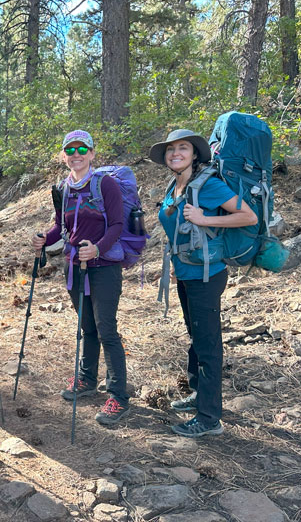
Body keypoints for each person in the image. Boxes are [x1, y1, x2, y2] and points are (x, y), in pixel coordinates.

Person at [149, 129, 257, 437]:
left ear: (195, 154)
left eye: (183, 148)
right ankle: (198, 394)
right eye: (171, 149)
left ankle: (210, 418)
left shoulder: (208, 185)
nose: (175, 153)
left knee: (208, 345)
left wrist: (205, 219)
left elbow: (248, 217)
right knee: (195, 336)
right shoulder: (176, 184)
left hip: (206, 276)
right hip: (187, 272)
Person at [32, 130, 131, 427]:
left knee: (106, 329)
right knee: (85, 325)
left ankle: (118, 395)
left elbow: (116, 224)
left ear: (91, 153)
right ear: (64, 156)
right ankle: (86, 380)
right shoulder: (64, 188)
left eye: (81, 149)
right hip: (74, 265)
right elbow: (61, 227)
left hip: (103, 267)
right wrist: (43, 238)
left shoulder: (106, 184)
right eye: (70, 149)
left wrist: (98, 248)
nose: (76, 154)